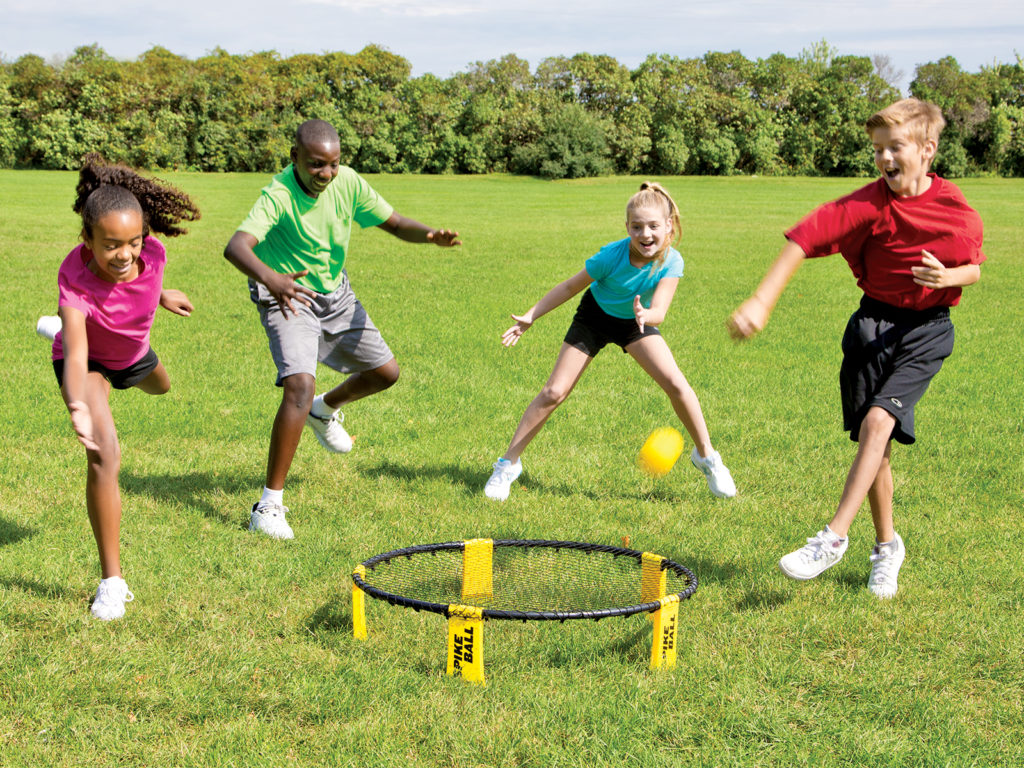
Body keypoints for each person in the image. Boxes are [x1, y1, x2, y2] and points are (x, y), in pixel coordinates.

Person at [728, 98, 985, 598]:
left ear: (928, 149)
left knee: (877, 422)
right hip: (872, 325)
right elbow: (804, 238)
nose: (885, 159)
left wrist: (949, 276)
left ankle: (833, 537)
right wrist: (761, 301)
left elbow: (974, 267)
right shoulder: (868, 205)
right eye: (877, 150)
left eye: (896, 148)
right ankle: (887, 547)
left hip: (926, 329)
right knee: (877, 448)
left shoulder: (956, 210)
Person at [224, 119, 460, 540]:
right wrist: (273, 280)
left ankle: (323, 408)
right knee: (298, 383)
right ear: (294, 156)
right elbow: (237, 246)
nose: (326, 174)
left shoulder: (347, 183)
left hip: (336, 293)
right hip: (289, 295)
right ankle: (268, 506)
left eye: (333, 164)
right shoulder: (278, 195)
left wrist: (429, 236)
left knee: (385, 373)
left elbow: (394, 222)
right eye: (316, 165)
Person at [484, 181, 736, 502]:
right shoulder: (610, 256)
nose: (645, 235)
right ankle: (508, 464)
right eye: (637, 227)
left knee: (677, 384)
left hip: (636, 320)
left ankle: (707, 457)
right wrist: (532, 315)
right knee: (553, 392)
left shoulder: (672, 261)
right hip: (594, 317)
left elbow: (660, 309)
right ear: (627, 227)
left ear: (668, 225)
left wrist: (646, 316)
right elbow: (568, 287)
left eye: (653, 226)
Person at [42, 154, 199, 620]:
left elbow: (143, 277)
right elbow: (74, 352)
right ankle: (112, 582)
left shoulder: (153, 253)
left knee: (161, 386)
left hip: (130, 354)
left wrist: (162, 294)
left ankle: (113, 380)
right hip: (86, 355)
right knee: (104, 452)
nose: (125, 255)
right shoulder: (74, 280)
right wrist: (77, 405)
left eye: (133, 242)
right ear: (86, 241)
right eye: (111, 245)